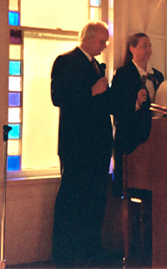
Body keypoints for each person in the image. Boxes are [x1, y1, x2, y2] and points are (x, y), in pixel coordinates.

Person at [51, 21, 114, 268]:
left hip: (98, 146)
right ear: (88, 39)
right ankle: (64, 256)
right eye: (102, 40)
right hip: (77, 145)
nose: (105, 45)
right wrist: (92, 91)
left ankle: (91, 249)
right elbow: (58, 97)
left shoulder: (97, 66)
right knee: (71, 199)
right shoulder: (65, 61)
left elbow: (103, 103)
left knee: (96, 199)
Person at [110, 33, 164, 193]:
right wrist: (135, 103)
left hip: (154, 136)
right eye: (144, 45)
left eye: (150, 45)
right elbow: (113, 105)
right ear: (132, 49)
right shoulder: (122, 74)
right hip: (130, 138)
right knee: (129, 186)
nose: (149, 49)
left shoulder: (157, 76)